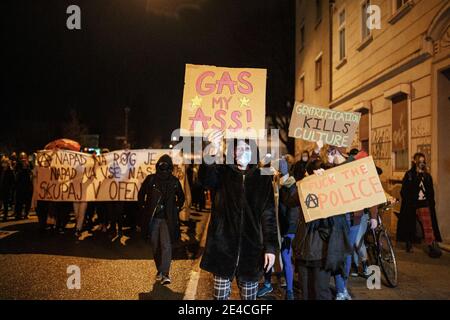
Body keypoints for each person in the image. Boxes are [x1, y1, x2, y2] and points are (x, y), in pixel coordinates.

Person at [199, 130, 278, 300]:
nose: (243, 152)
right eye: (239, 149)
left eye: (247, 149)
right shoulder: (222, 173)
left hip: (251, 253)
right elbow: (206, 180)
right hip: (222, 250)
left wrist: (270, 248)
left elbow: (269, 215)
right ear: (233, 153)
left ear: (254, 152)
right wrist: (211, 149)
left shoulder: (263, 178)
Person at [291, 153, 352, 300]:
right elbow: (290, 200)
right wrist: (308, 182)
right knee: (305, 293)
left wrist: (338, 161)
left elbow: (349, 175)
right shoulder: (305, 189)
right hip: (304, 250)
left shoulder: (333, 192)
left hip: (322, 252)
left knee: (320, 292)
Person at [138, 154, 185, 285]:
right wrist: (144, 209)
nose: (163, 168)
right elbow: (141, 194)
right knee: (155, 246)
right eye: (161, 165)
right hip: (153, 219)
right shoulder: (151, 179)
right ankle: (160, 270)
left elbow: (181, 197)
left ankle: (165, 273)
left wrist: (175, 208)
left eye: (166, 166)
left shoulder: (174, 181)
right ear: (157, 166)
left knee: (166, 246)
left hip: (167, 220)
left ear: (170, 167)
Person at [257, 157, 300, 300]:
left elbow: (293, 211)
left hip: (286, 229)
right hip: (273, 227)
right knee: (267, 254)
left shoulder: (290, 186)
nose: (272, 172)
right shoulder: (274, 184)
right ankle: (268, 283)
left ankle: (289, 291)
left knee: (286, 257)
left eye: (274, 170)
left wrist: (289, 231)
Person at [397, 153, 442, 258]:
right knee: (409, 224)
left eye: (423, 161)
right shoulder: (409, 175)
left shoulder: (427, 175)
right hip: (411, 203)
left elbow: (430, 191)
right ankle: (409, 243)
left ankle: (431, 246)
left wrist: (431, 203)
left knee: (428, 225)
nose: (422, 163)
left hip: (424, 203)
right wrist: (408, 200)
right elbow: (404, 190)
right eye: (420, 161)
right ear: (415, 162)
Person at [14, 154, 33, 220]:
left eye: (25, 160)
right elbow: (16, 177)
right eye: (22, 160)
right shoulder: (18, 168)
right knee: (19, 202)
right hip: (20, 188)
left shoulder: (29, 168)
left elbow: (31, 176)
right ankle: (18, 214)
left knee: (28, 202)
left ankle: (26, 214)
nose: (24, 162)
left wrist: (28, 168)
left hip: (28, 188)